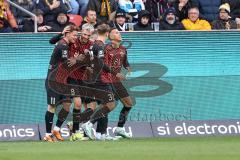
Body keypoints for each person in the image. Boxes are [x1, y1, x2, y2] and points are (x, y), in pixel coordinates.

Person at [44, 25, 79, 142]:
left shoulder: (64, 43)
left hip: (62, 81)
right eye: (74, 35)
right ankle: (47, 134)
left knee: (67, 104)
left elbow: (51, 41)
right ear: (67, 34)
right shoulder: (62, 45)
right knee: (52, 107)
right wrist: (77, 60)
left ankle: (56, 129)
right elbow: (66, 64)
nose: (76, 37)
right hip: (54, 81)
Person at [101, 28, 134, 138]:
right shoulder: (106, 48)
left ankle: (119, 128)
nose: (119, 33)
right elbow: (103, 66)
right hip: (107, 80)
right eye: (116, 32)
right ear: (110, 36)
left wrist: (129, 68)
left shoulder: (123, 49)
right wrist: (116, 73)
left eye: (118, 32)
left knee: (128, 104)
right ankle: (90, 125)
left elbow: (125, 62)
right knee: (108, 105)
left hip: (117, 81)